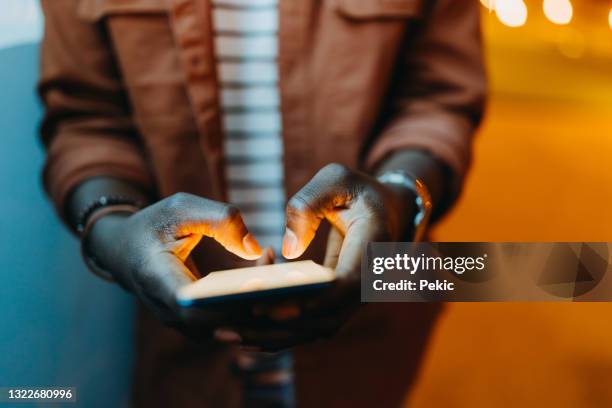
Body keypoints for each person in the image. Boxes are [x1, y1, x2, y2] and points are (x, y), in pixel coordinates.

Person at [38, 0, 485, 406]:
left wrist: (397, 196)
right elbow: (85, 118)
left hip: (368, 354)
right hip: (179, 367)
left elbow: (437, 98)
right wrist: (113, 229)